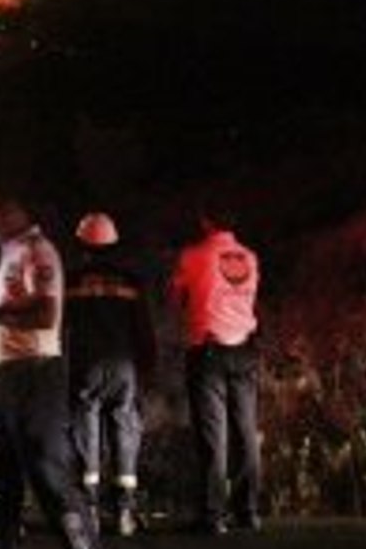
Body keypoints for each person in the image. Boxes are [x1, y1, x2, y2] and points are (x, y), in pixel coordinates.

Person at [0, 189, 98, 549]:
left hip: (34, 374)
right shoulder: (11, 252)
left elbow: (47, 316)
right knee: (2, 477)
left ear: (11, 211)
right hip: (5, 377)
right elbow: (16, 311)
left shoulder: (37, 250)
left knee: (47, 470)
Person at [169, 206, 262, 535]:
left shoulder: (194, 255)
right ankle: (248, 511)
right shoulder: (250, 257)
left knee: (213, 436)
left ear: (205, 220)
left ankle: (212, 515)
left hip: (208, 350)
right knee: (246, 432)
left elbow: (177, 296)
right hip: (246, 348)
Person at [65, 212, 156, 537]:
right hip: (124, 366)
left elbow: (61, 327)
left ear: (81, 244)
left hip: (85, 366)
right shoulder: (131, 281)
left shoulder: (71, 279)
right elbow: (144, 327)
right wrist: (148, 365)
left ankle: (88, 509)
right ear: (114, 244)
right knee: (124, 431)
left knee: (85, 434)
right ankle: (124, 512)